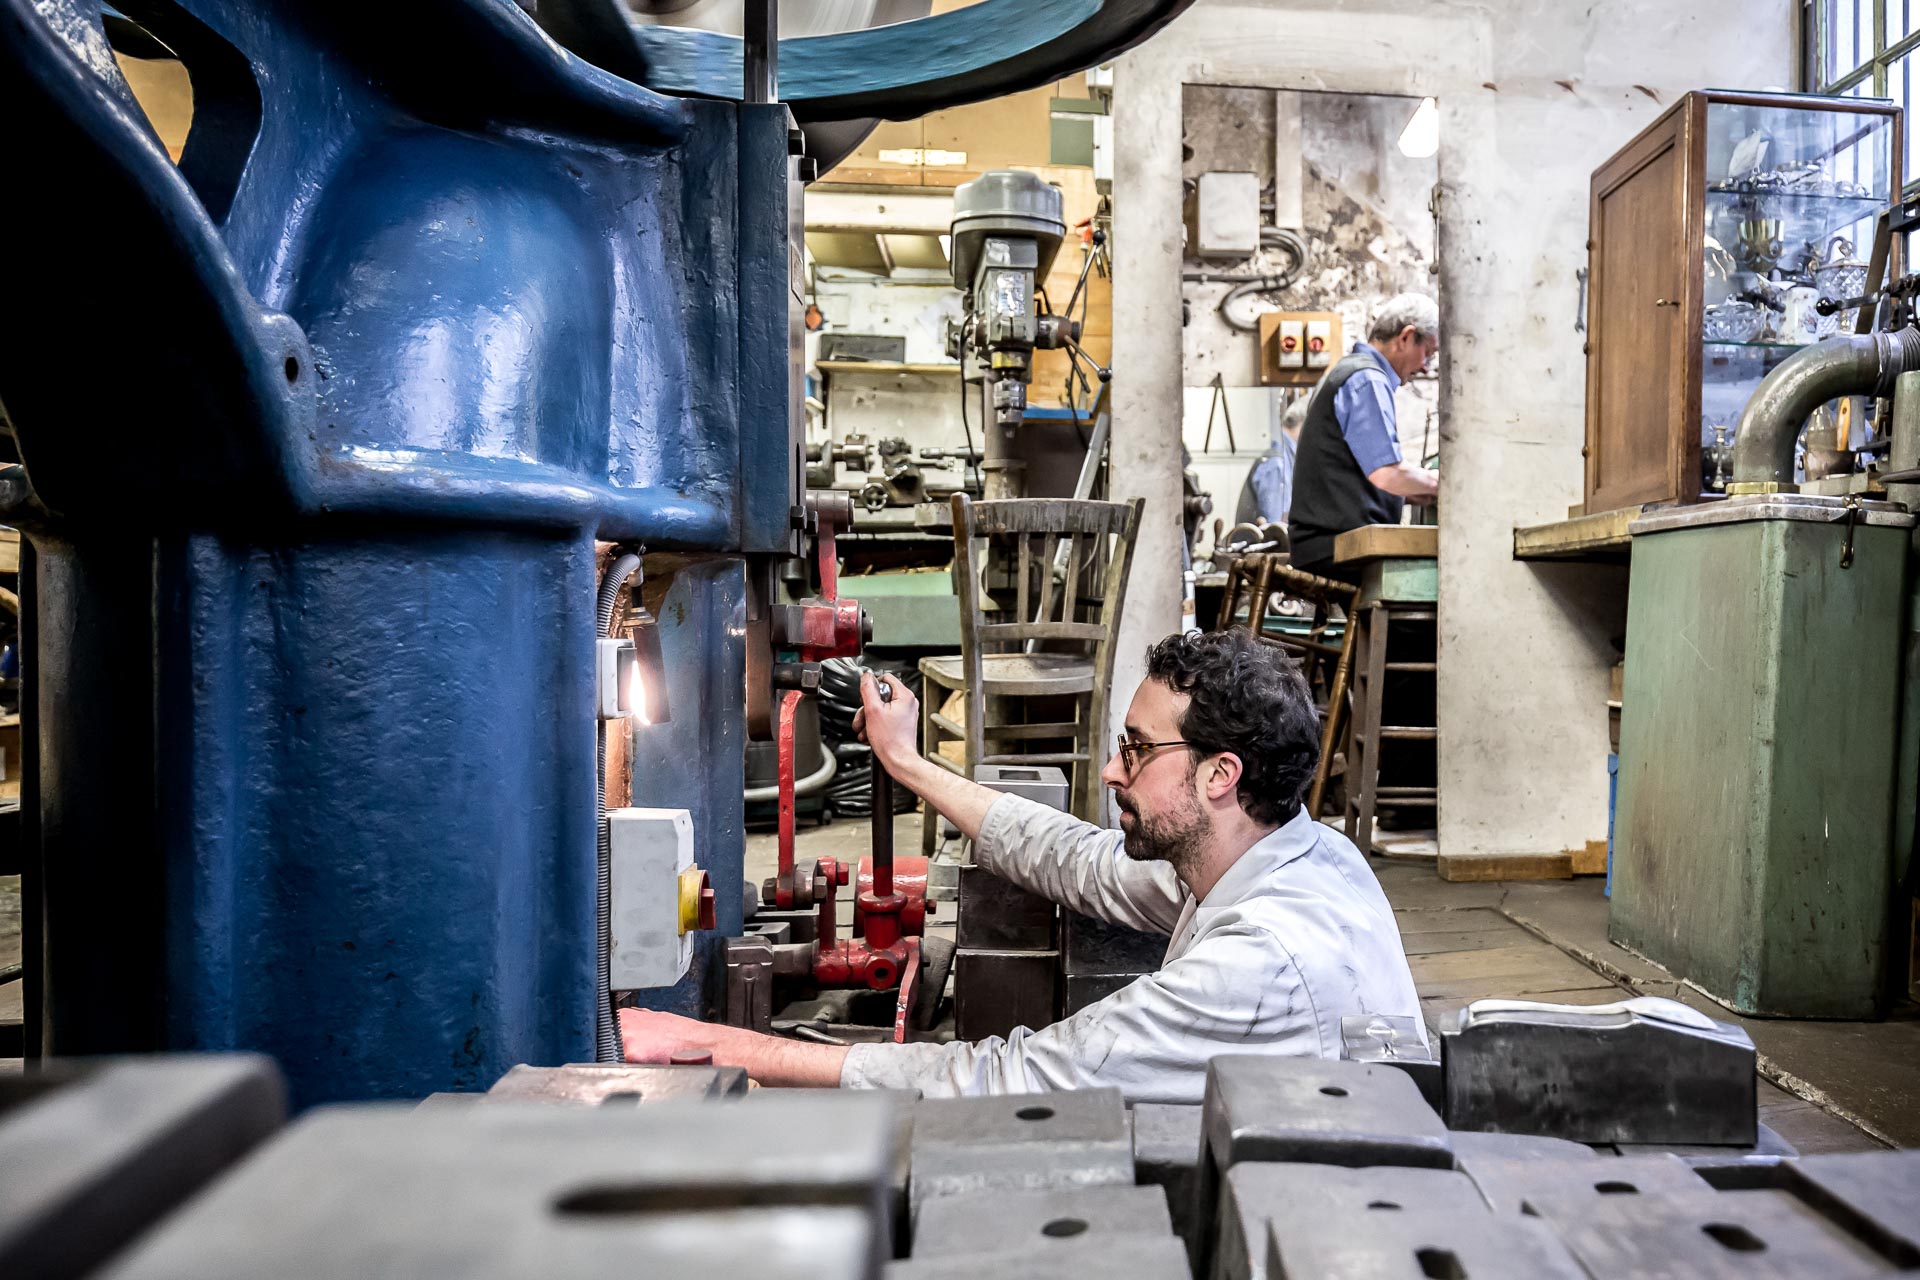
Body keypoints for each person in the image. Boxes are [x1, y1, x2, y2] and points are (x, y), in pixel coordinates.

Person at [619, 628, 1423, 1103]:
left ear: (1221, 775)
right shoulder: (1291, 852)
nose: (1112, 772)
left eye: (1138, 751)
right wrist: (909, 765)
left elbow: (1017, 1076)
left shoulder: (1258, 964)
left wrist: (719, 1046)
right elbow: (1080, 861)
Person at [1287, 293, 1440, 580]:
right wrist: (1442, 485)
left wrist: (1413, 493)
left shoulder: (1349, 371)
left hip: (1323, 542)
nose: (1426, 366)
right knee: (1424, 618)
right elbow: (1386, 473)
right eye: (1428, 353)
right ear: (1406, 337)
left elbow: (1352, 479)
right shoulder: (1367, 379)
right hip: (1335, 547)